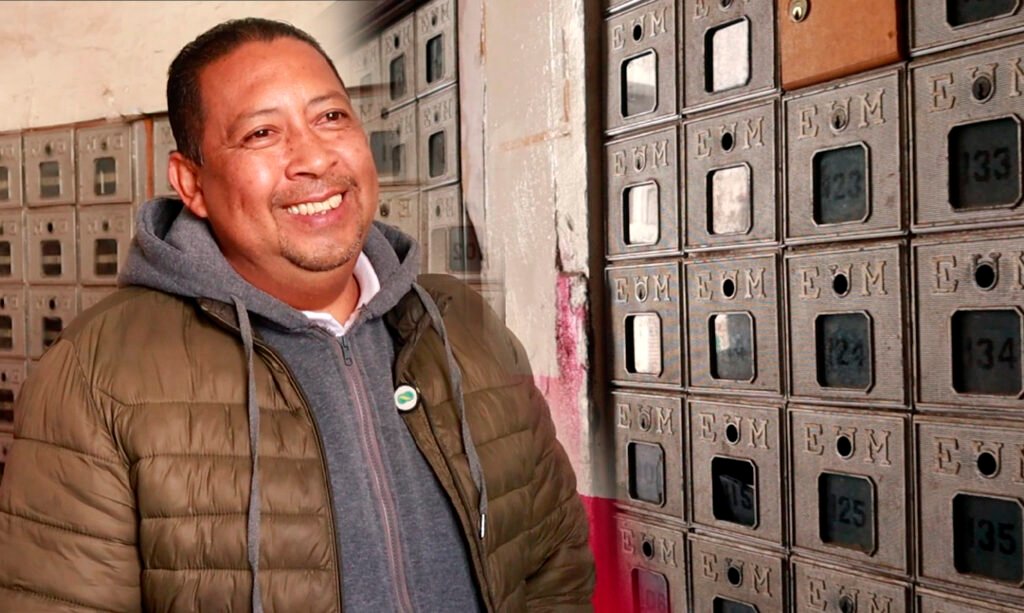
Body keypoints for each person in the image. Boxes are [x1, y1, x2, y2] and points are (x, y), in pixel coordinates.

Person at [0, 18, 594, 612]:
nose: (312, 157)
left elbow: (554, 568)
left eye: (331, 117)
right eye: (262, 133)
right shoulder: (97, 373)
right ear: (192, 183)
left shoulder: (461, 324)